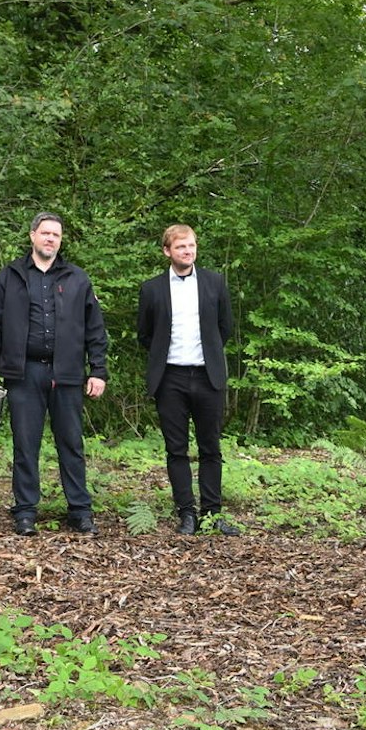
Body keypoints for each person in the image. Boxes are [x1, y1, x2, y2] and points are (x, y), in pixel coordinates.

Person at [0, 212, 109, 536]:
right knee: (26, 443)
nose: (50, 239)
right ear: (32, 235)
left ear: (60, 241)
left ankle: (79, 510)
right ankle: (25, 511)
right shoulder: (10, 276)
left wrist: (98, 370)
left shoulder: (77, 278)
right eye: (45, 233)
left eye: (56, 235)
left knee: (71, 443)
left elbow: (95, 329)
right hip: (23, 373)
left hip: (68, 373)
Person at [136, 224, 237, 535]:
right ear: (167, 251)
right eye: (181, 247)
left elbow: (225, 327)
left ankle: (212, 513)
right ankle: (187, 514)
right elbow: (145, 335)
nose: (188, 251)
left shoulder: (214, 282)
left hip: (207, 376)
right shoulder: (151, 289)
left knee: (211, 447)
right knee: (176, 449)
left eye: (191, 245)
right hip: (171, 379)